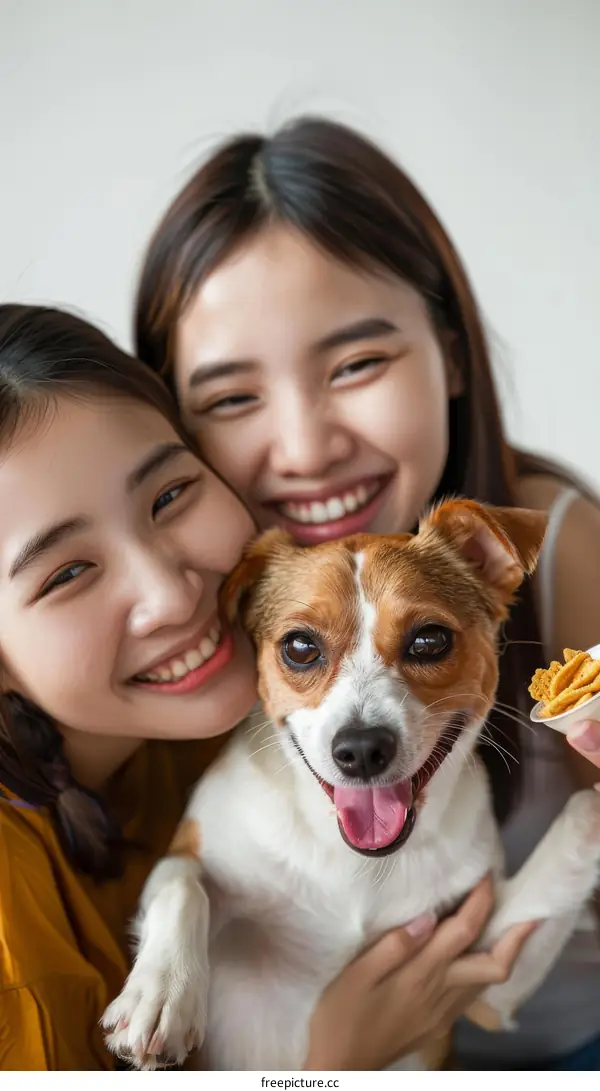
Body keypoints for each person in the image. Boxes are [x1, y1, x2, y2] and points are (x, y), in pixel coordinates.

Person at [134, 116, 600, 1070]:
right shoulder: (182, 597)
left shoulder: (552, 543)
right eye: (230, 397)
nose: (305, 449)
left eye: (355, 364)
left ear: (453, 352)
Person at [0, 304, 531, 1072]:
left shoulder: (229, 733)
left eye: (169, 495)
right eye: (67, 572)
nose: (174, 596)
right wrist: (324, 1069)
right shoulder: (16, 956)